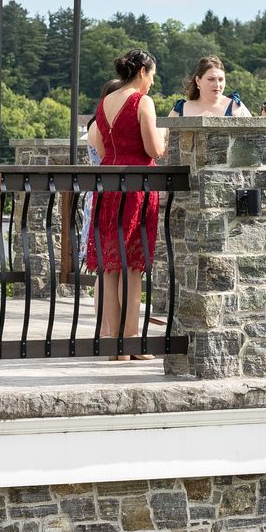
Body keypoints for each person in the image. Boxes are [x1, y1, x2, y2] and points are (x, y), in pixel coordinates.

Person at [83, 49, 166, 361]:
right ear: (142, 71)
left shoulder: (105, 102)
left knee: (110, 266)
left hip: (108, 185)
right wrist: (164, 136)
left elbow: (103, 149)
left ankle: (113, 345)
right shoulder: (142, 102)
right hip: (137, 187)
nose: (152, 82)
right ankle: (130, 340)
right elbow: (153, 149)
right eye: (152, 76)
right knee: (133, 267)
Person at [173, 56, 251, 117]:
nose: (217, 84)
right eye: (211, 79)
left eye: (220, 79)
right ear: (198, 81)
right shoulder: (180, 110)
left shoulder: (235, 107)